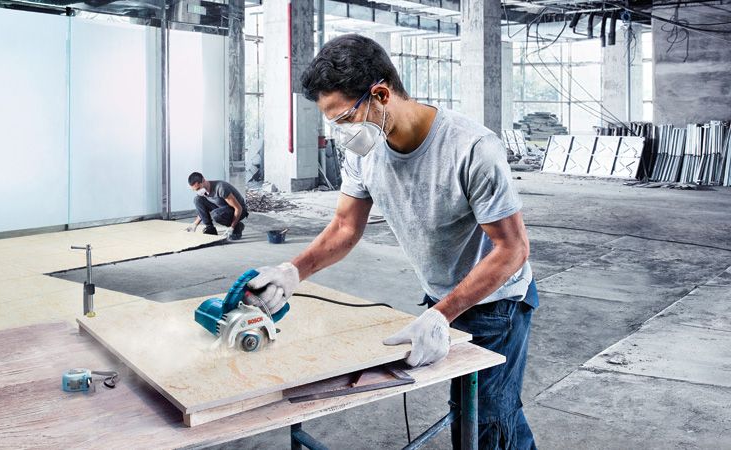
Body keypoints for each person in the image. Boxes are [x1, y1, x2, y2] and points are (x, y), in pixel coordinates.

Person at [244, 34, 538, 449]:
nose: (341, 132)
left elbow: (513, 250)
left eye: (343, 118)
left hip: (497, 303)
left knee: (490, 419)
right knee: (470, 414)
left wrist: (442, 314)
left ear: (380, 94)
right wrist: (294, 271)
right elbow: (346, 227)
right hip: (440, 294)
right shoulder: (365, 151)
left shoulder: (472, 148)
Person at [186, 172, 248, 241]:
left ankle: (237, 226)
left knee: (215, 214)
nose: (198, 191)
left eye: (198, 188)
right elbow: (203, 210)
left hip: (239, 210)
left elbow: (238, 208)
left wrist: (232, 227)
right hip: (222, 208)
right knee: (197, 200)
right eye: (195, 190)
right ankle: (210, 229)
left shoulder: (221, 188)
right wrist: (194, 224)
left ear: (203, 180)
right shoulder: (203, 191)